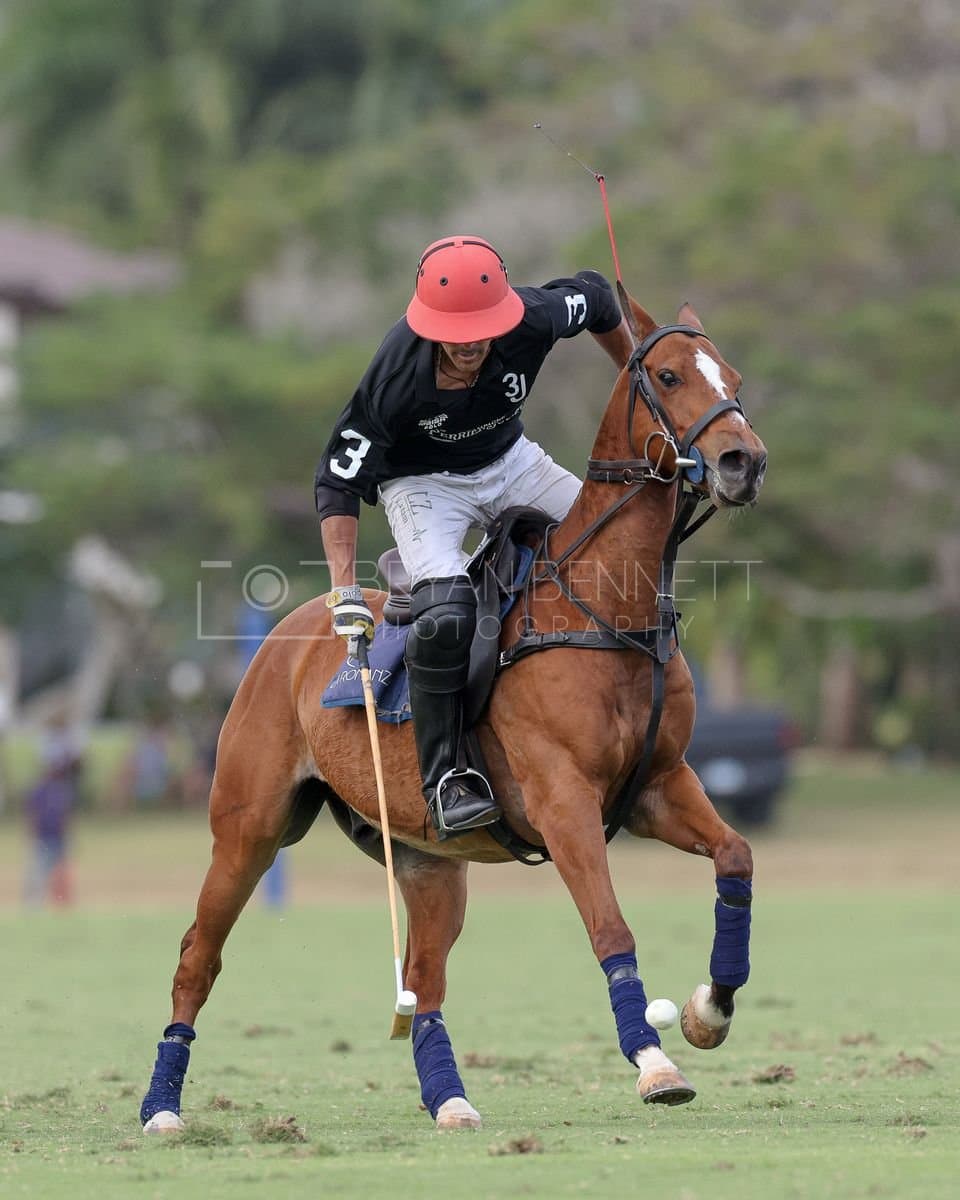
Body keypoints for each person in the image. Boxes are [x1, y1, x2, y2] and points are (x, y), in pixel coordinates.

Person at [315, 235, 634, 839]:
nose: (470, 345)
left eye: (482, 329)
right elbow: (336, 478)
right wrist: (342, 591)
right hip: (422, 485)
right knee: (447, 613)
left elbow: (595, 295)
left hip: (512, 462)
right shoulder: (395, 377)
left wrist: (634, 373)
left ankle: (635, 726)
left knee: (618, 548)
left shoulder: (534, 318)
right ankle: (446, 778)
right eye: (454, 333)